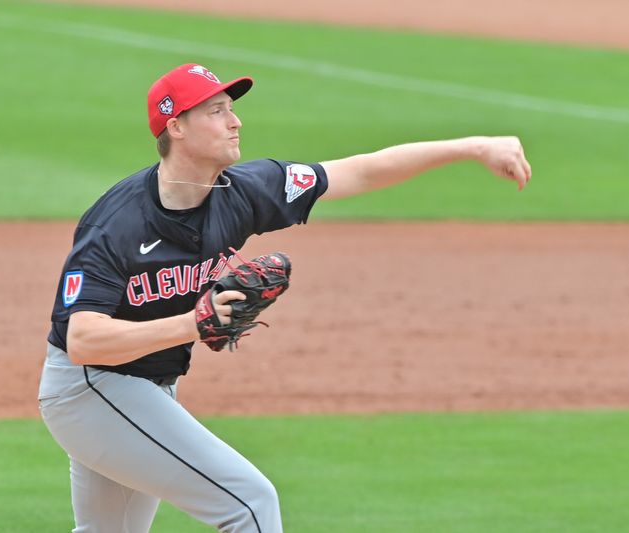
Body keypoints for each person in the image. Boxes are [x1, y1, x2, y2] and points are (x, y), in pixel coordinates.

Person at [38, 63, 532, 533]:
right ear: (177, 127)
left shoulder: (245, 191)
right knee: (250, 503)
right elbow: (83, 339)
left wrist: (475, 145)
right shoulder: (118, 223)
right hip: (89, 388)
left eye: (231, 107)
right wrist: (194, 323)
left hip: (141, 386)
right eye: (216, 111)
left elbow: (359, 171)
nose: (235, 120)